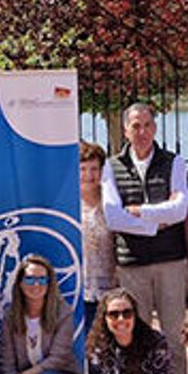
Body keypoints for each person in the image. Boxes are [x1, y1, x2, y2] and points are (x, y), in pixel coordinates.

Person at [101, 102, 188, 374]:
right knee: (135, 337)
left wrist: (140, 212)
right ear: (126, 130)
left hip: (170, 262)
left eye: (147, 125)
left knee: (175, 337)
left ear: (155, 128)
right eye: (135, 126)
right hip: (132, 264)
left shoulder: (174, 162)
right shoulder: (111, 166)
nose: (142, 131)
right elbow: (113, 217)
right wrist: (157, 221)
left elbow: (180, 210)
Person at [79, 142, 118, 339]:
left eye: (94, 169)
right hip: (81, 288)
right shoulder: (70, 205)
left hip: (109, 285)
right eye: (83, 169)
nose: (89, 175)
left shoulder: (110, 202)